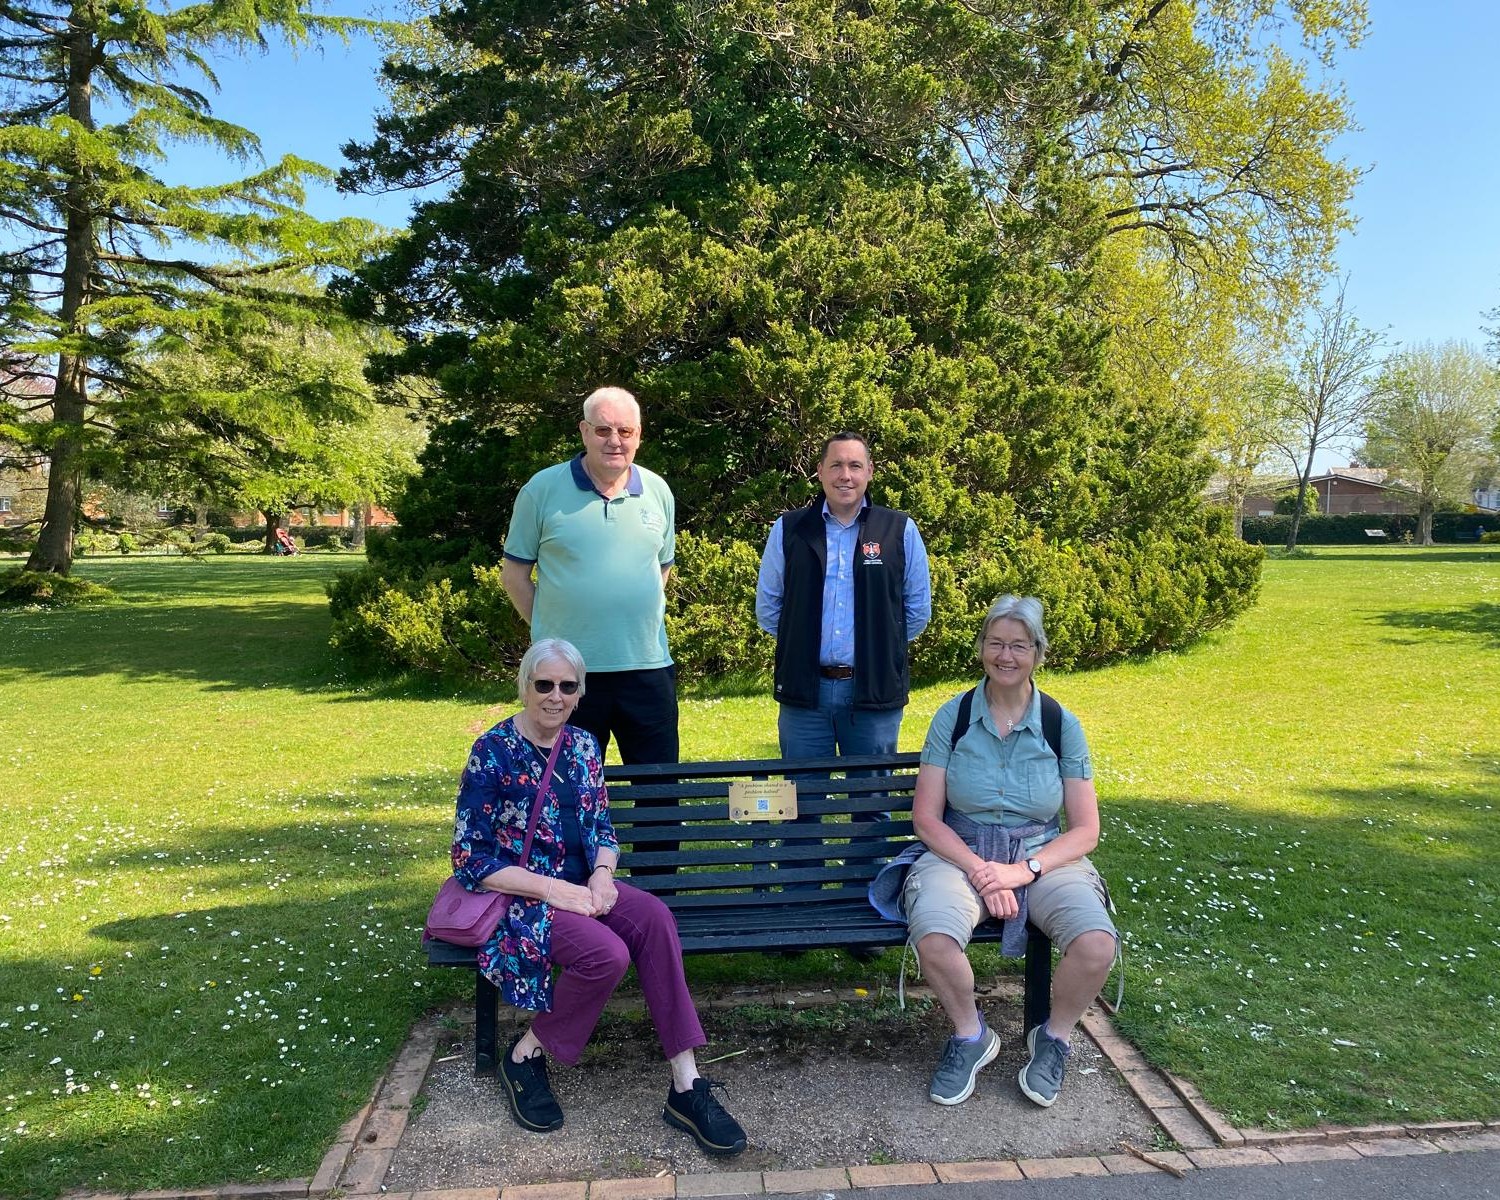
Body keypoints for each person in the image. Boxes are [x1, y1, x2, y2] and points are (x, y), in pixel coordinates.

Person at [449, 638, 747, 1154]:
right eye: (544, 684)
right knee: (605, 955)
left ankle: (687, 1084)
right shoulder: (492, 752)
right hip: (525, 899)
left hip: (588, 889)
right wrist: (552, 889)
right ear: (524, 687)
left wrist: (604, 875)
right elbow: (469, 858)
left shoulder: (585, 747)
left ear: (581, 692)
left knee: (654, 917)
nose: (555, 696)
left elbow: (601, 827)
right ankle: (524, 1055)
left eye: (568, 686)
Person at [898, 595, 1117, 1109]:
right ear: (981, 649)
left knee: (1095, 944)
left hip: (1042, 856)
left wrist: (1022, 871)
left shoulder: (1061, 724)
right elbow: (927, 818)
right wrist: (982, 871)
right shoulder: (952, 717)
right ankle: (971, 1035)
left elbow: (1086, 830)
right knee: (933, 934)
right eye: (996, 643)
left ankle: (1054, 1037)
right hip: (961, 852)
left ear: (1038, 653)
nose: (1006, 655)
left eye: (1019, 645)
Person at [500, 387, 678, 765]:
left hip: (647, 670)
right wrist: (554, 634)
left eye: (625, 431)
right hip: (567, 677)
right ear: (583, 431)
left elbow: (662, 567)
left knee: (659, 793)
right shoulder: (541, 490)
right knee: (563, 790)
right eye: (603, 430)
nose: (614, 441)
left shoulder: (658, 491)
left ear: (639, 435)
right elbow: (514, 575)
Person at [755, 432, 931, 761]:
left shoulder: (899, 530)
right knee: (804, 803)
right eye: (836, 465)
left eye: (854, 465)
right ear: (820, 471)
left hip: (873, 690)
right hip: (805, 692)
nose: (845, 475)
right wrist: (802, 644)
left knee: (873, 802)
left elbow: (917, 611)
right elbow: (768, 607)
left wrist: (880, 651)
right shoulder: (790, 529)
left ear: (870, 471)